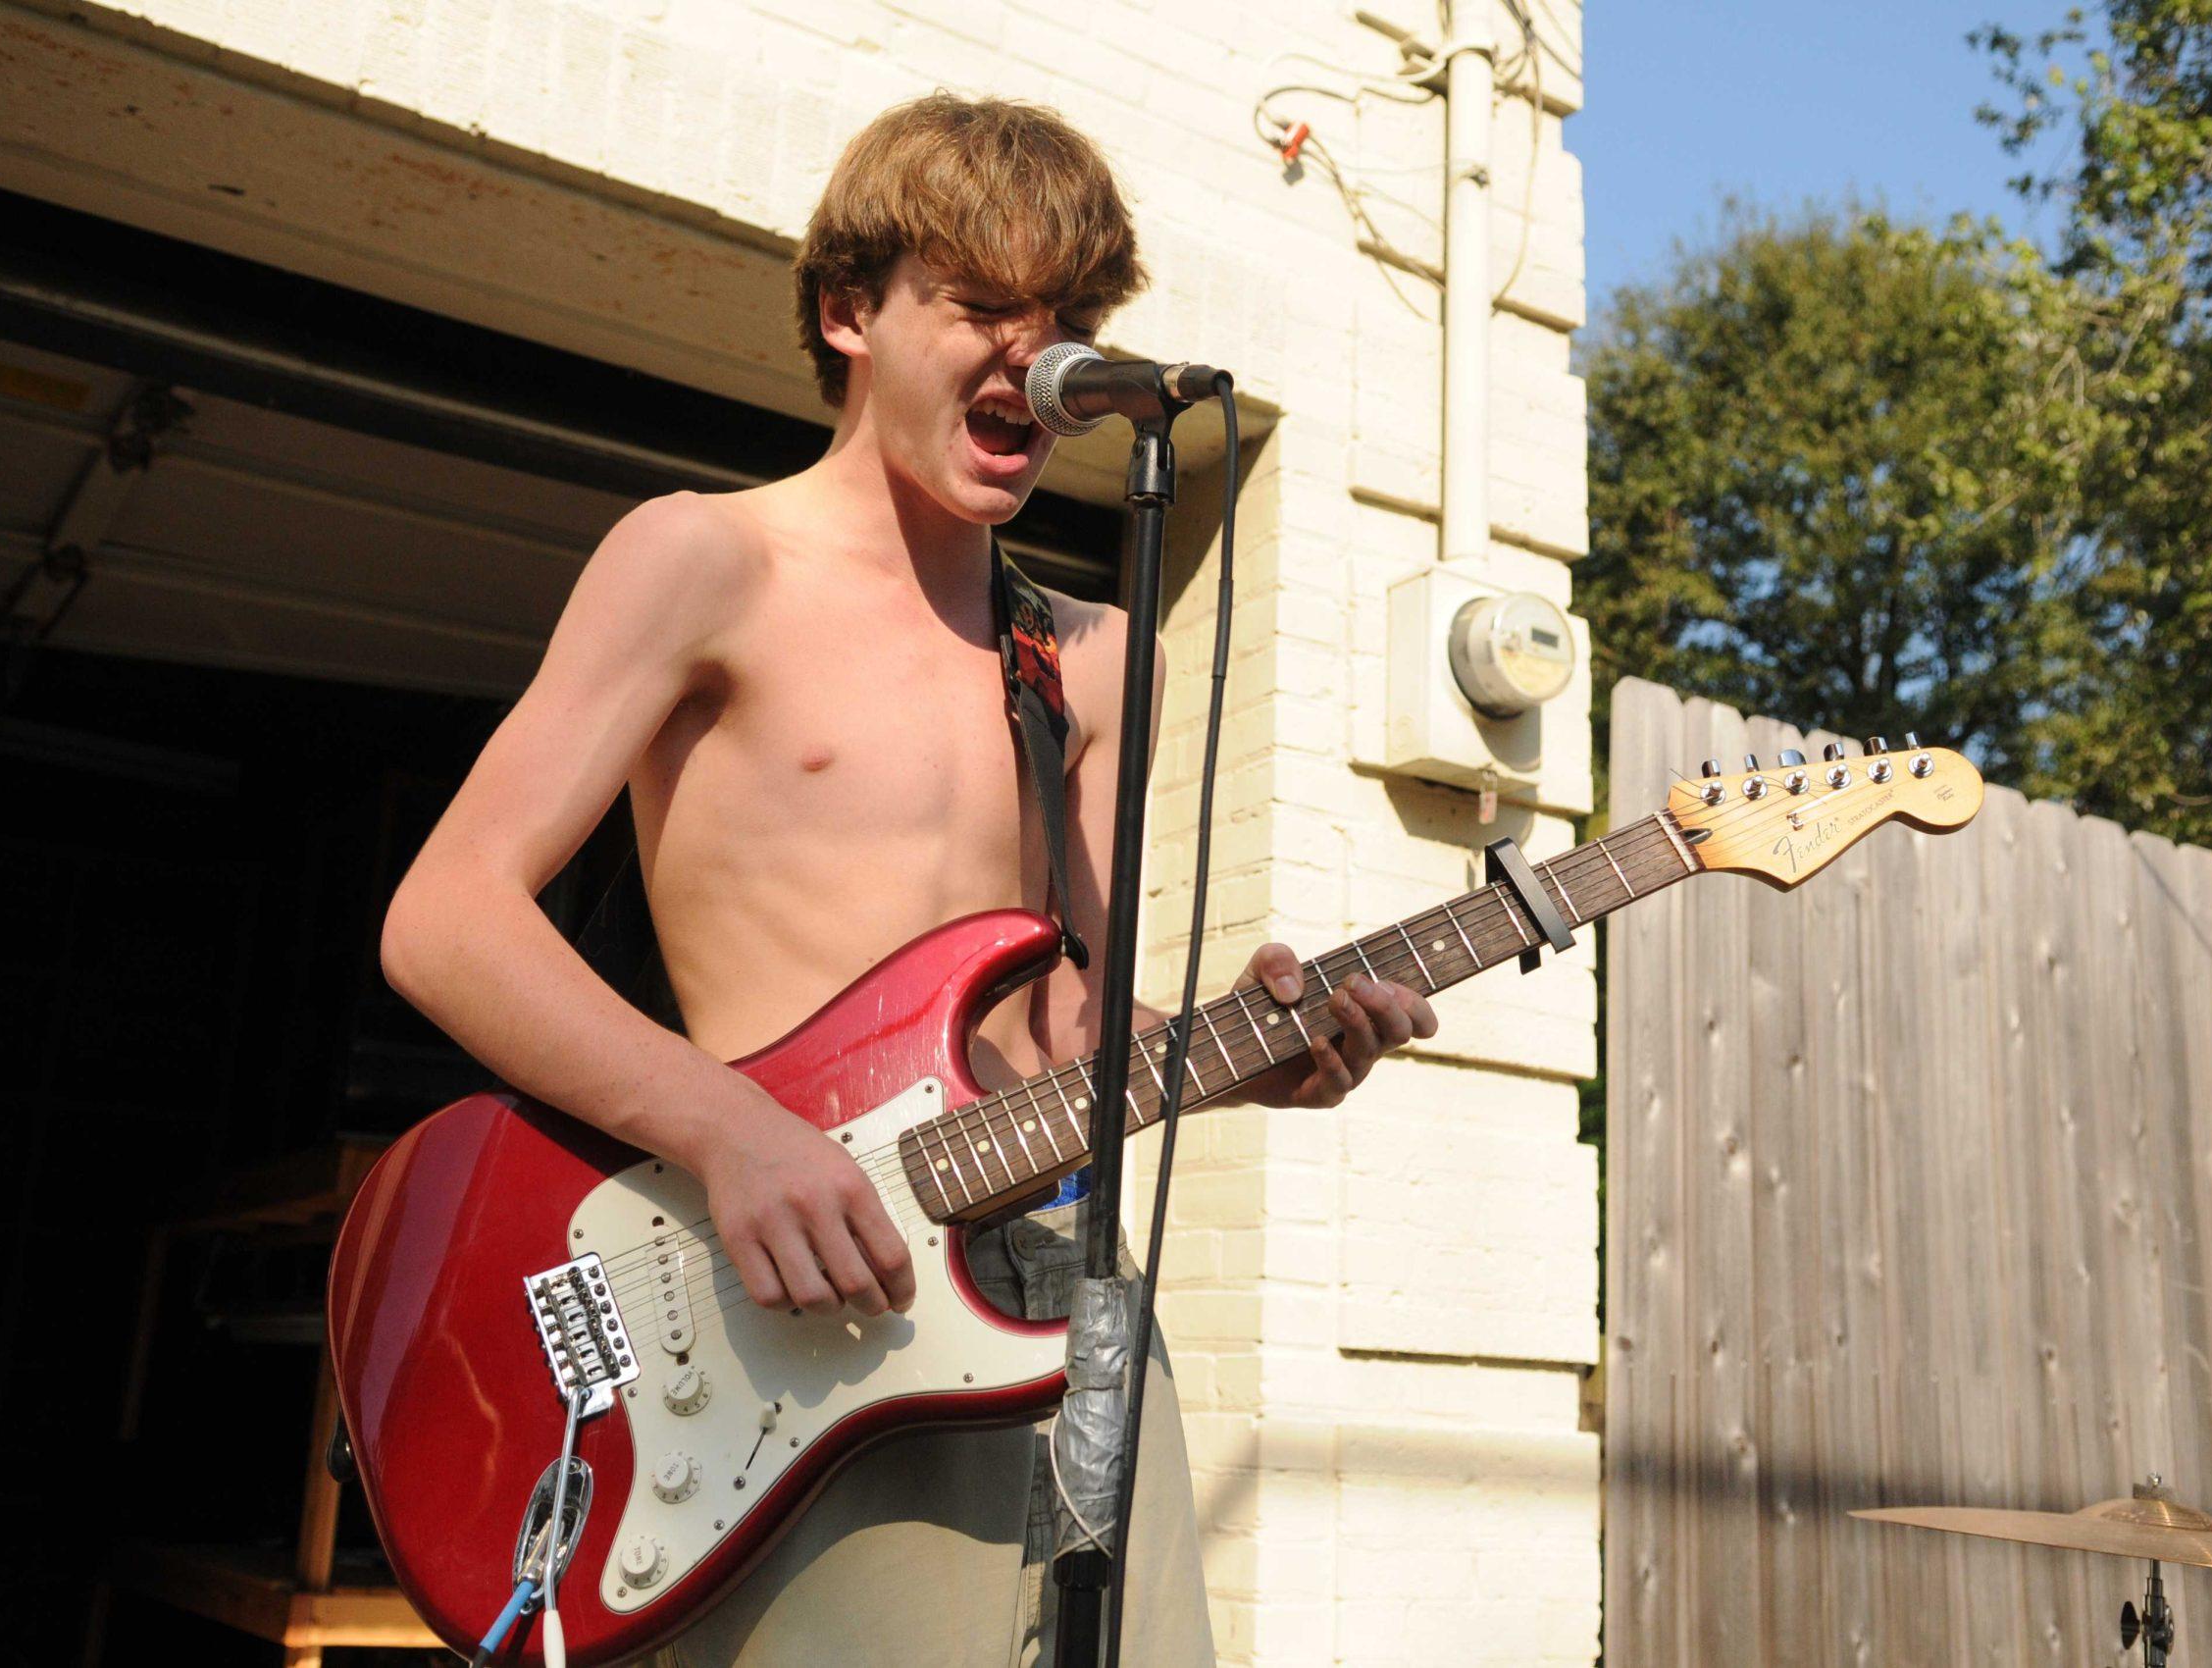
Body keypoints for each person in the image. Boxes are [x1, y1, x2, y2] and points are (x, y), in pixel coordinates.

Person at [378, 90, 1438, 1667]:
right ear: (848, 311)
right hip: (797, 1303)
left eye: (1068, 316)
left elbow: (1068, 1027)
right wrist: (731, 1134)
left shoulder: (1086, 656)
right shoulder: (705, 561)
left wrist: (1248, 1049)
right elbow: (447, 918)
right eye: (982, 305)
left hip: (1058, 1291)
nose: (1038, 355)